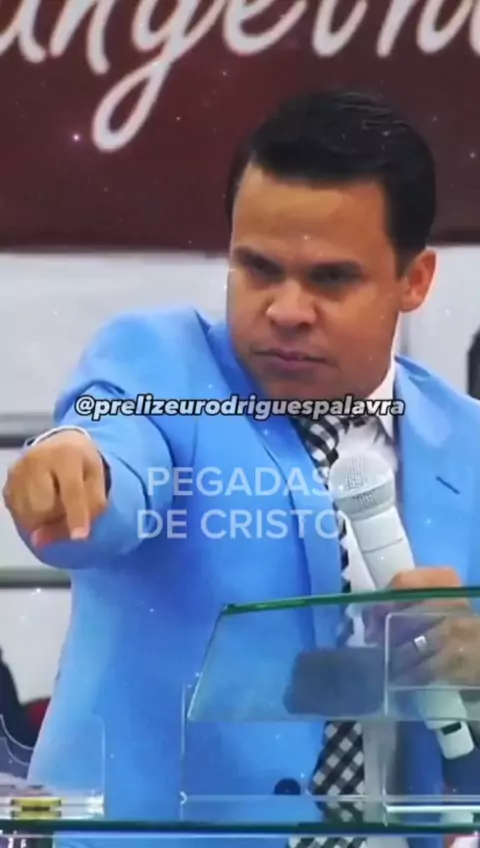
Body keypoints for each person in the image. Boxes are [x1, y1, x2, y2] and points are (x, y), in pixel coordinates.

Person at [4, 89, 480, 848]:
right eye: (258, 268)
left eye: (331, 278)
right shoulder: (159, 363)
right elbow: (116, 447)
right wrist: (73, 467)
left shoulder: (468, 446)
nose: (287, 309)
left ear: (415, 280)